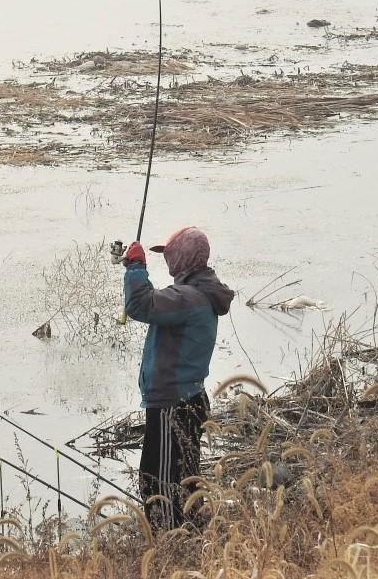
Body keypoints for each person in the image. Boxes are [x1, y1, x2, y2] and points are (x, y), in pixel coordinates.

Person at [122, 227, 234, 530]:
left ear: (185, 258)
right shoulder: (198, 293)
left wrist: (135, 268)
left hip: (173, 405)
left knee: (158, 484)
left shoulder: (188, 297)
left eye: (171, 254)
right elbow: (154, 302)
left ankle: (170, 545)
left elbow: (140, 305)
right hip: (186, 400)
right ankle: (192, 536)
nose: (168, 261)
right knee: (183, 478)